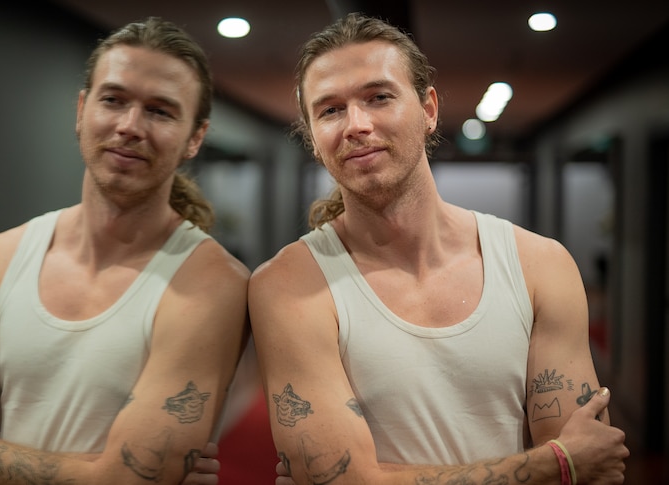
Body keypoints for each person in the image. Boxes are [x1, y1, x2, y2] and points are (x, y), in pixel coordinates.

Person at [248, 12, 628, 485]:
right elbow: (342, 480)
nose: (356, 125)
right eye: (330, 110)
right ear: (313, 138)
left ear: (428, 109)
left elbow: (593, 473)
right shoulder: (287, 286)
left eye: (379, 97)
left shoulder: (539, 265)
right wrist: (555, 463)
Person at [0, 17, 249, 485]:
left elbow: (130, 479)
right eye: (113, 100)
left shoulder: (212, 285)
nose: (130, 126)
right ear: (82, 109)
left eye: (160, 111)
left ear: (195, 138)